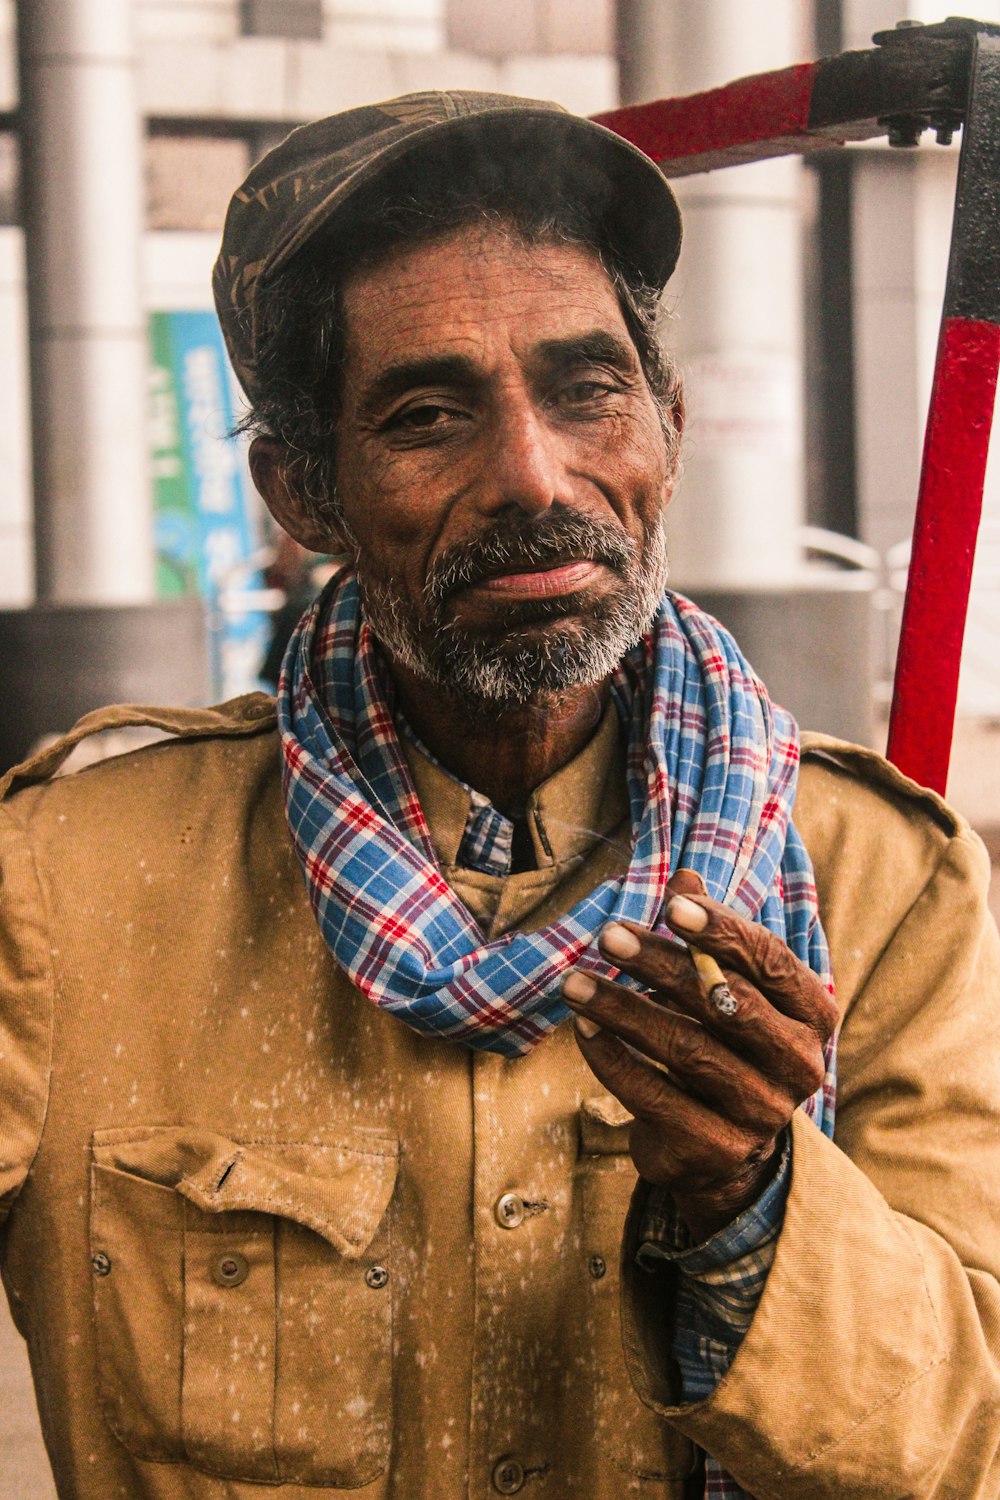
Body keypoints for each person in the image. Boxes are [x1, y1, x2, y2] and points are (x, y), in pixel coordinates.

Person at [1, 92, 998, 1500]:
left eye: (587, 389)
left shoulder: (881, 884)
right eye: (426, 415)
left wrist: (753, 1204)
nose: (533, 478)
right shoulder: (68, 882)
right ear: (303, 495)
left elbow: (964, 1446)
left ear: (668, 425)